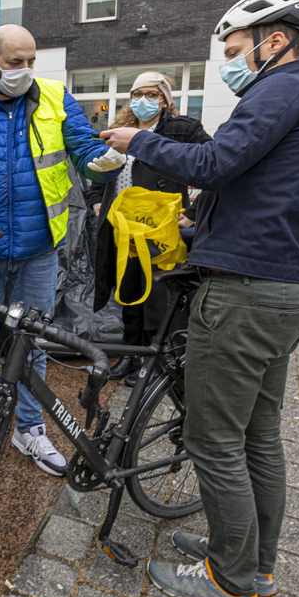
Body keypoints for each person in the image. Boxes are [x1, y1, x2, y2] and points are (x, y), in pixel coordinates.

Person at [101, 0, 299, 597]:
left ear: (275, 40)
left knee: (213, 441)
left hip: (243, 297)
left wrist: (137, 141)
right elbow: (259, 186)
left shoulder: (281, 90)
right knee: (258, 437)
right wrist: (198, 228)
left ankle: (227, 578)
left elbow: (214, 161)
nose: (231, 62)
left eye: (236, 50)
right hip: (283, 288)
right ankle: (250, 562)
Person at [0, 24, 124, 475]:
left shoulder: (54, 97)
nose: (26, 70)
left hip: (38, 248)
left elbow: (83, 146)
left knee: (33, 341)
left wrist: (103, 163)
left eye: (32, 60)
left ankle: (29, 429)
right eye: (16, 62)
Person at [87, 72, 211, 383]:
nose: (143, 100)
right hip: (122, 225)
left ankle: (155, 363)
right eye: (137, 93)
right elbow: (98, 169)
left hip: (158, 228)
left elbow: (217, 165)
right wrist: (96, 200)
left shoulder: (183, 131)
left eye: (152, 94)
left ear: (166, 100)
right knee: (128, 292)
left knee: (156, 296)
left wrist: (194, 212)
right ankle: (130, 357)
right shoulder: (119, 131)